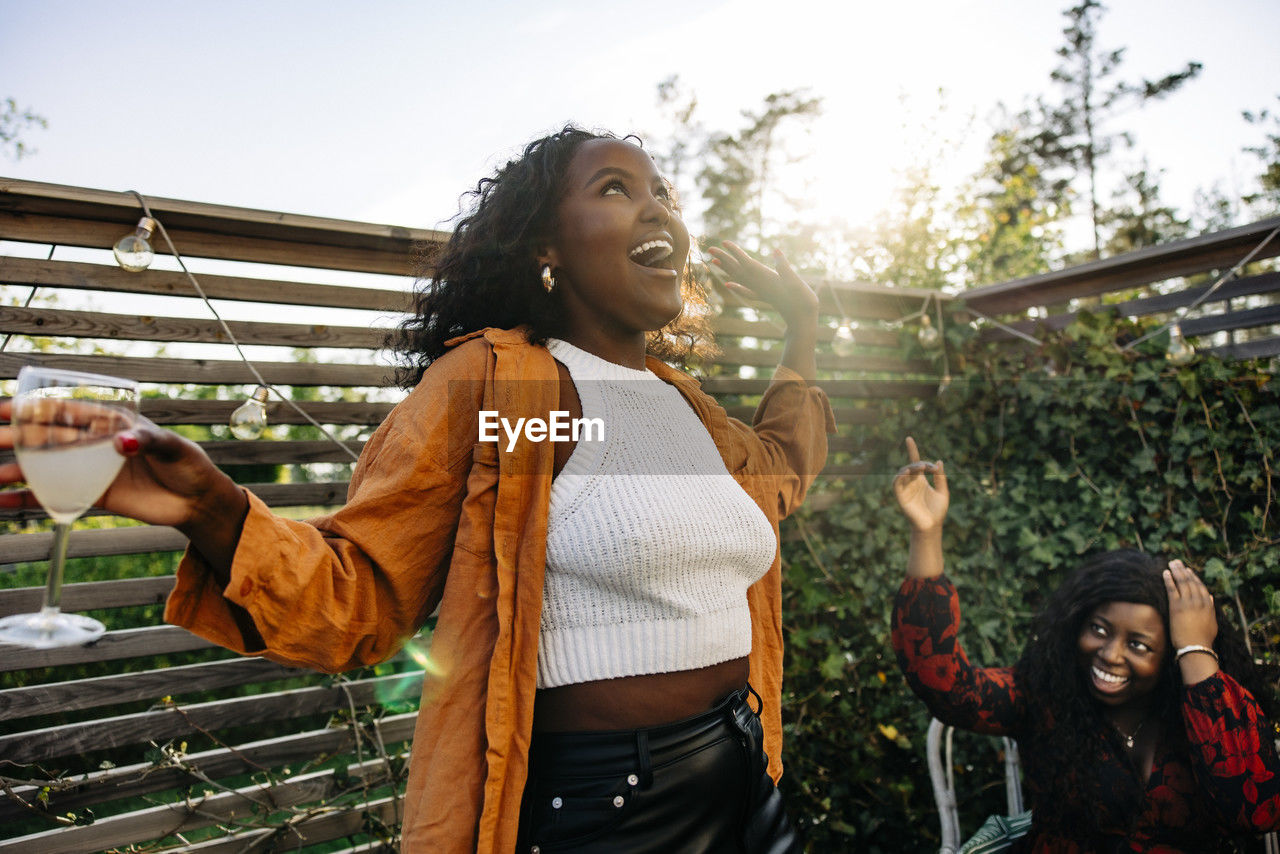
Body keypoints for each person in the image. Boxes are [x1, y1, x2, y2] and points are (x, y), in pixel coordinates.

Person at [0, 126, 833, 852]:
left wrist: (804, 328)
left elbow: (778, 473)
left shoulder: (686, 407)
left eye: (664, 194)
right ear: (546, 247)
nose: (659, 212)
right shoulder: (510, 397)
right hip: (609, 812)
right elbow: (362, 592)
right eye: (616, 189)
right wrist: (211, 507)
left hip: (748, 775)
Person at [890, 437, 1280, 852]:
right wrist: (926, 534)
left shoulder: (1205, 715)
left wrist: (1198, 652)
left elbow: (1255, 812)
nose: (1111, 654)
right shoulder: (1047, 696)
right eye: (1099, 629)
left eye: (1140, 646)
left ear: (1171, 656)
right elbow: (946, 685)